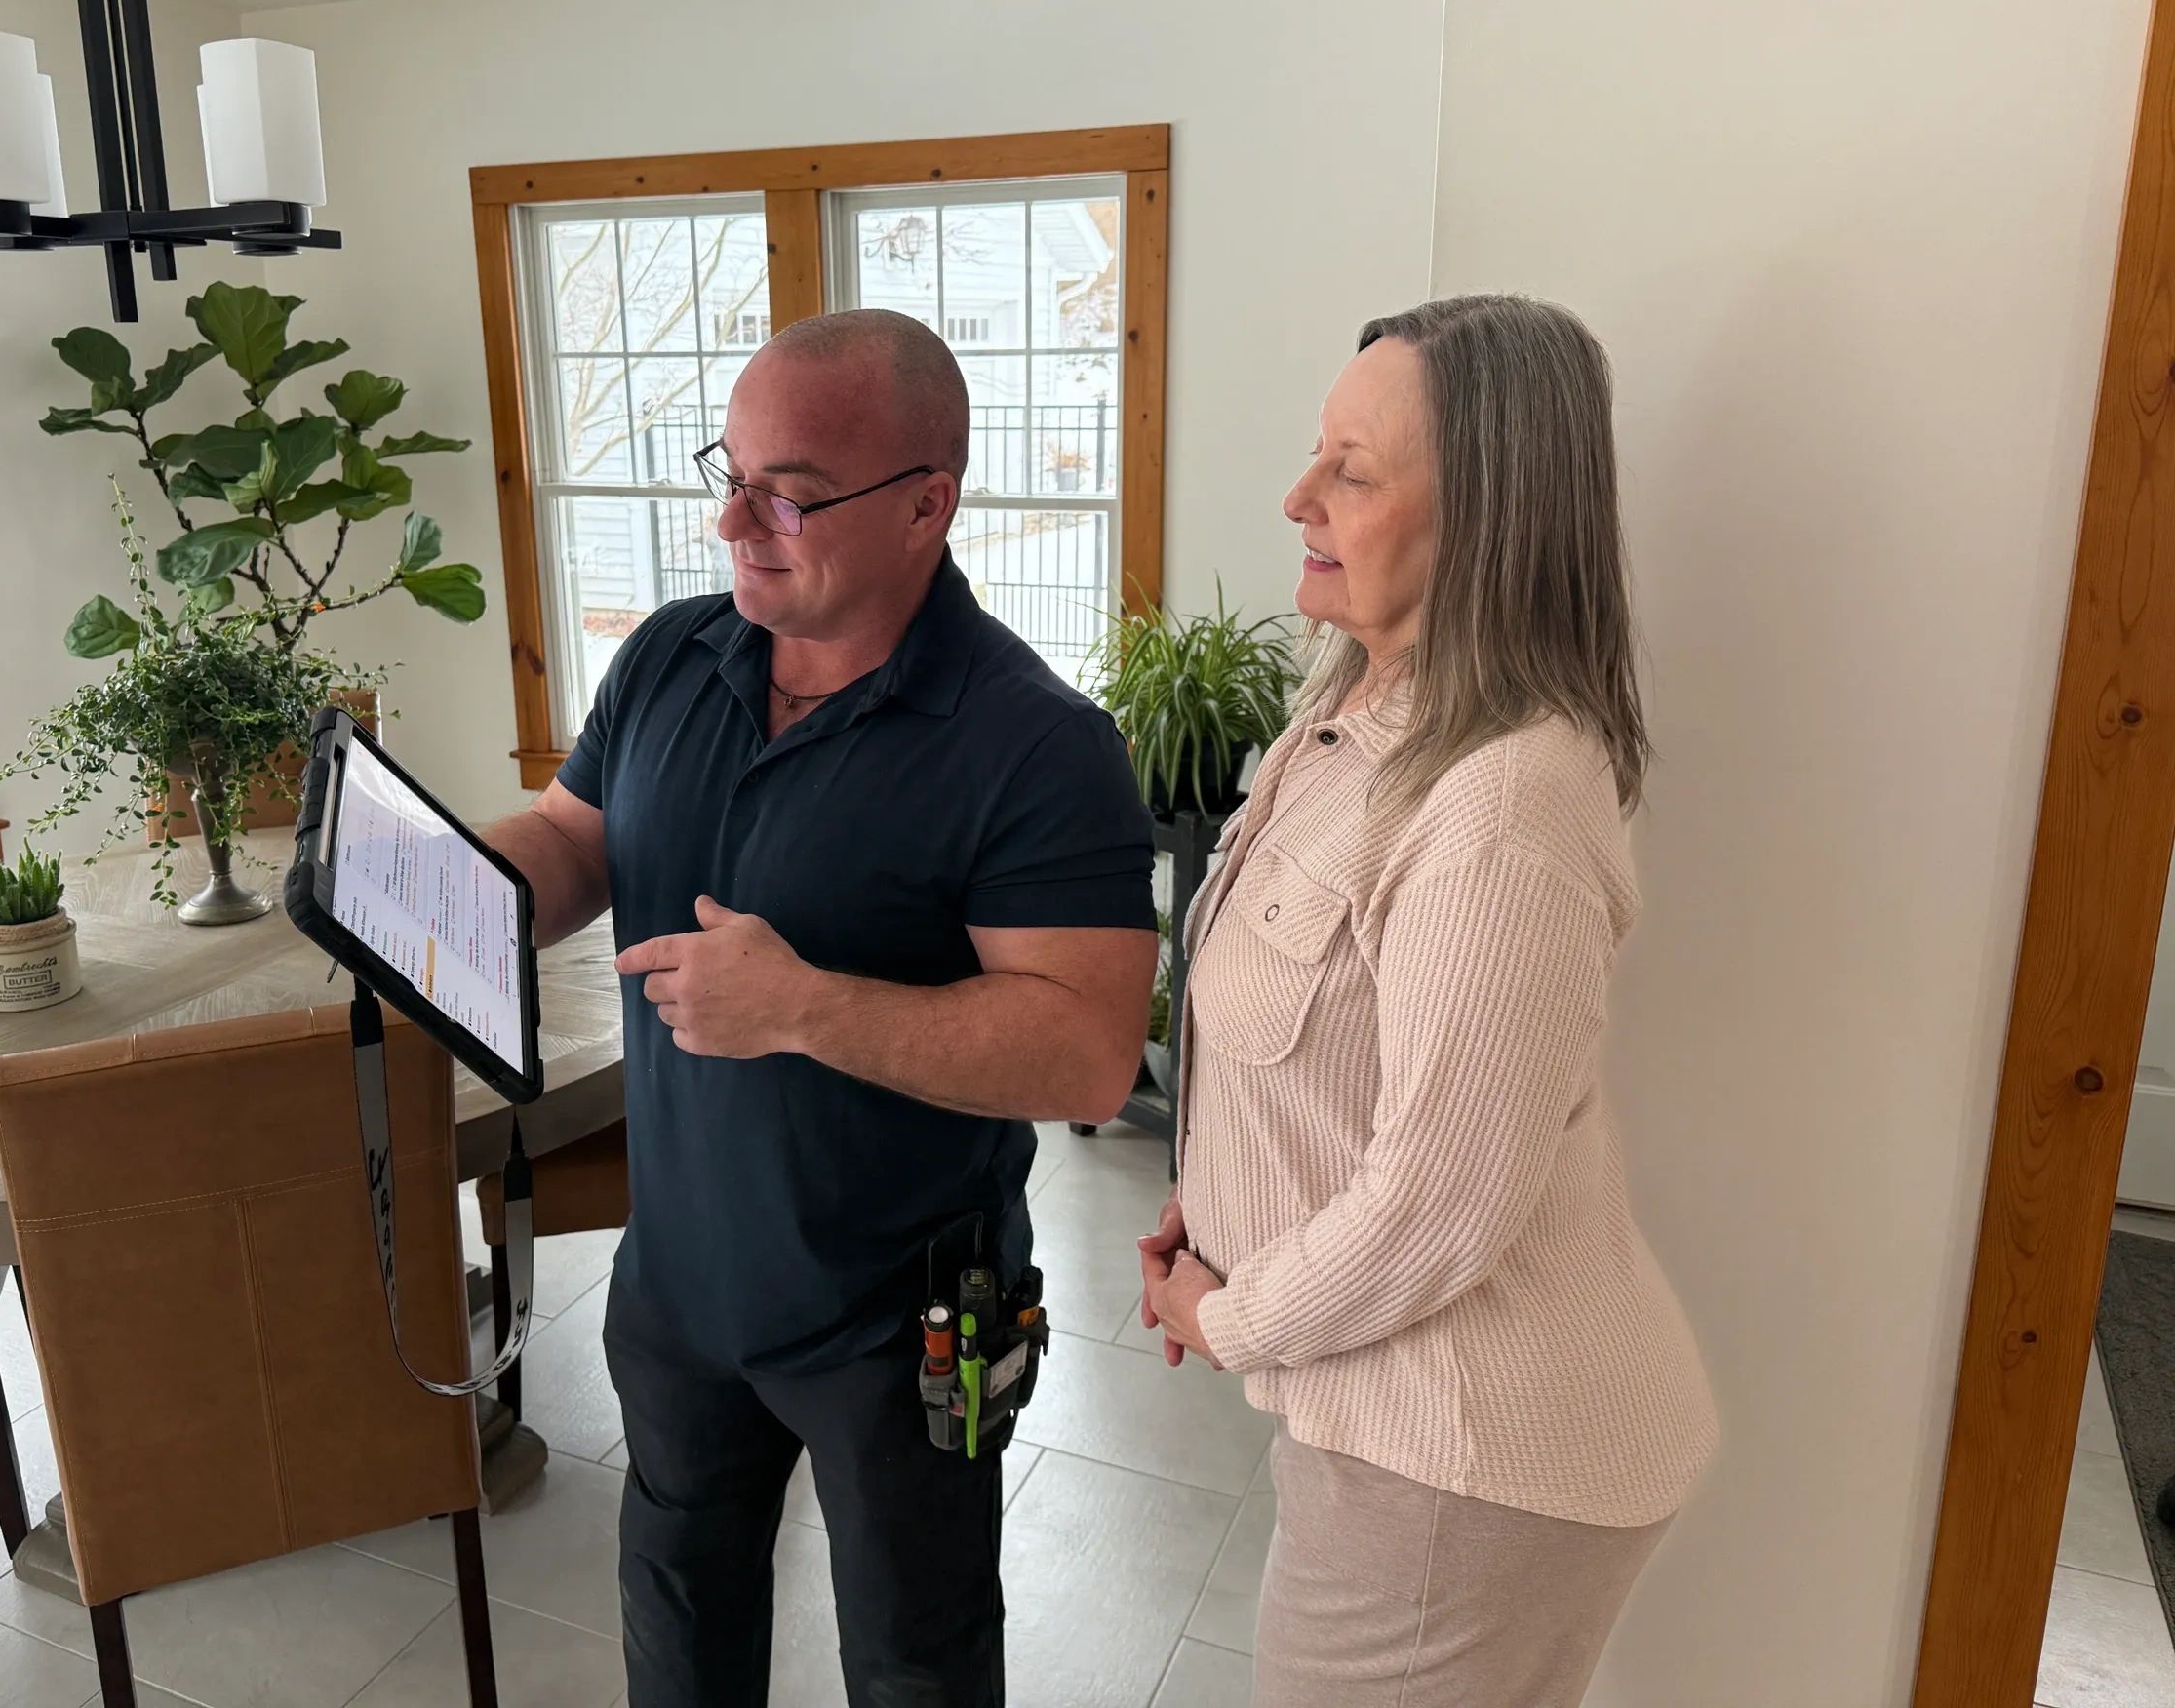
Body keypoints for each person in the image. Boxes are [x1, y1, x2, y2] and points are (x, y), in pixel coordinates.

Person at [482, 307, 1159, 1708]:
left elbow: (1089, 1052)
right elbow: (573, 841)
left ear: (929, 503)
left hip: (896, 1325)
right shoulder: (672, 656)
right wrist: (455, 884)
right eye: (725, 471)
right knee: (678, 1628)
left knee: (917, 1663)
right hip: (678, 1287)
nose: (736, 520)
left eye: (787, 491)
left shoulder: (1038, 744)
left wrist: (802, 1008)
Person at [1138, 295, 1718, 1708]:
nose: (1299, 498)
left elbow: (1439, 1202)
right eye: (1316, 454)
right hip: (1396, 1430)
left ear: (1492, 520)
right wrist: (1226, 1204)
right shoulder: (1356, 712)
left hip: (1465, 1467)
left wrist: (1237, 1315)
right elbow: (1320, 1049)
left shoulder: (1503, 804)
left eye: (1354, 471)